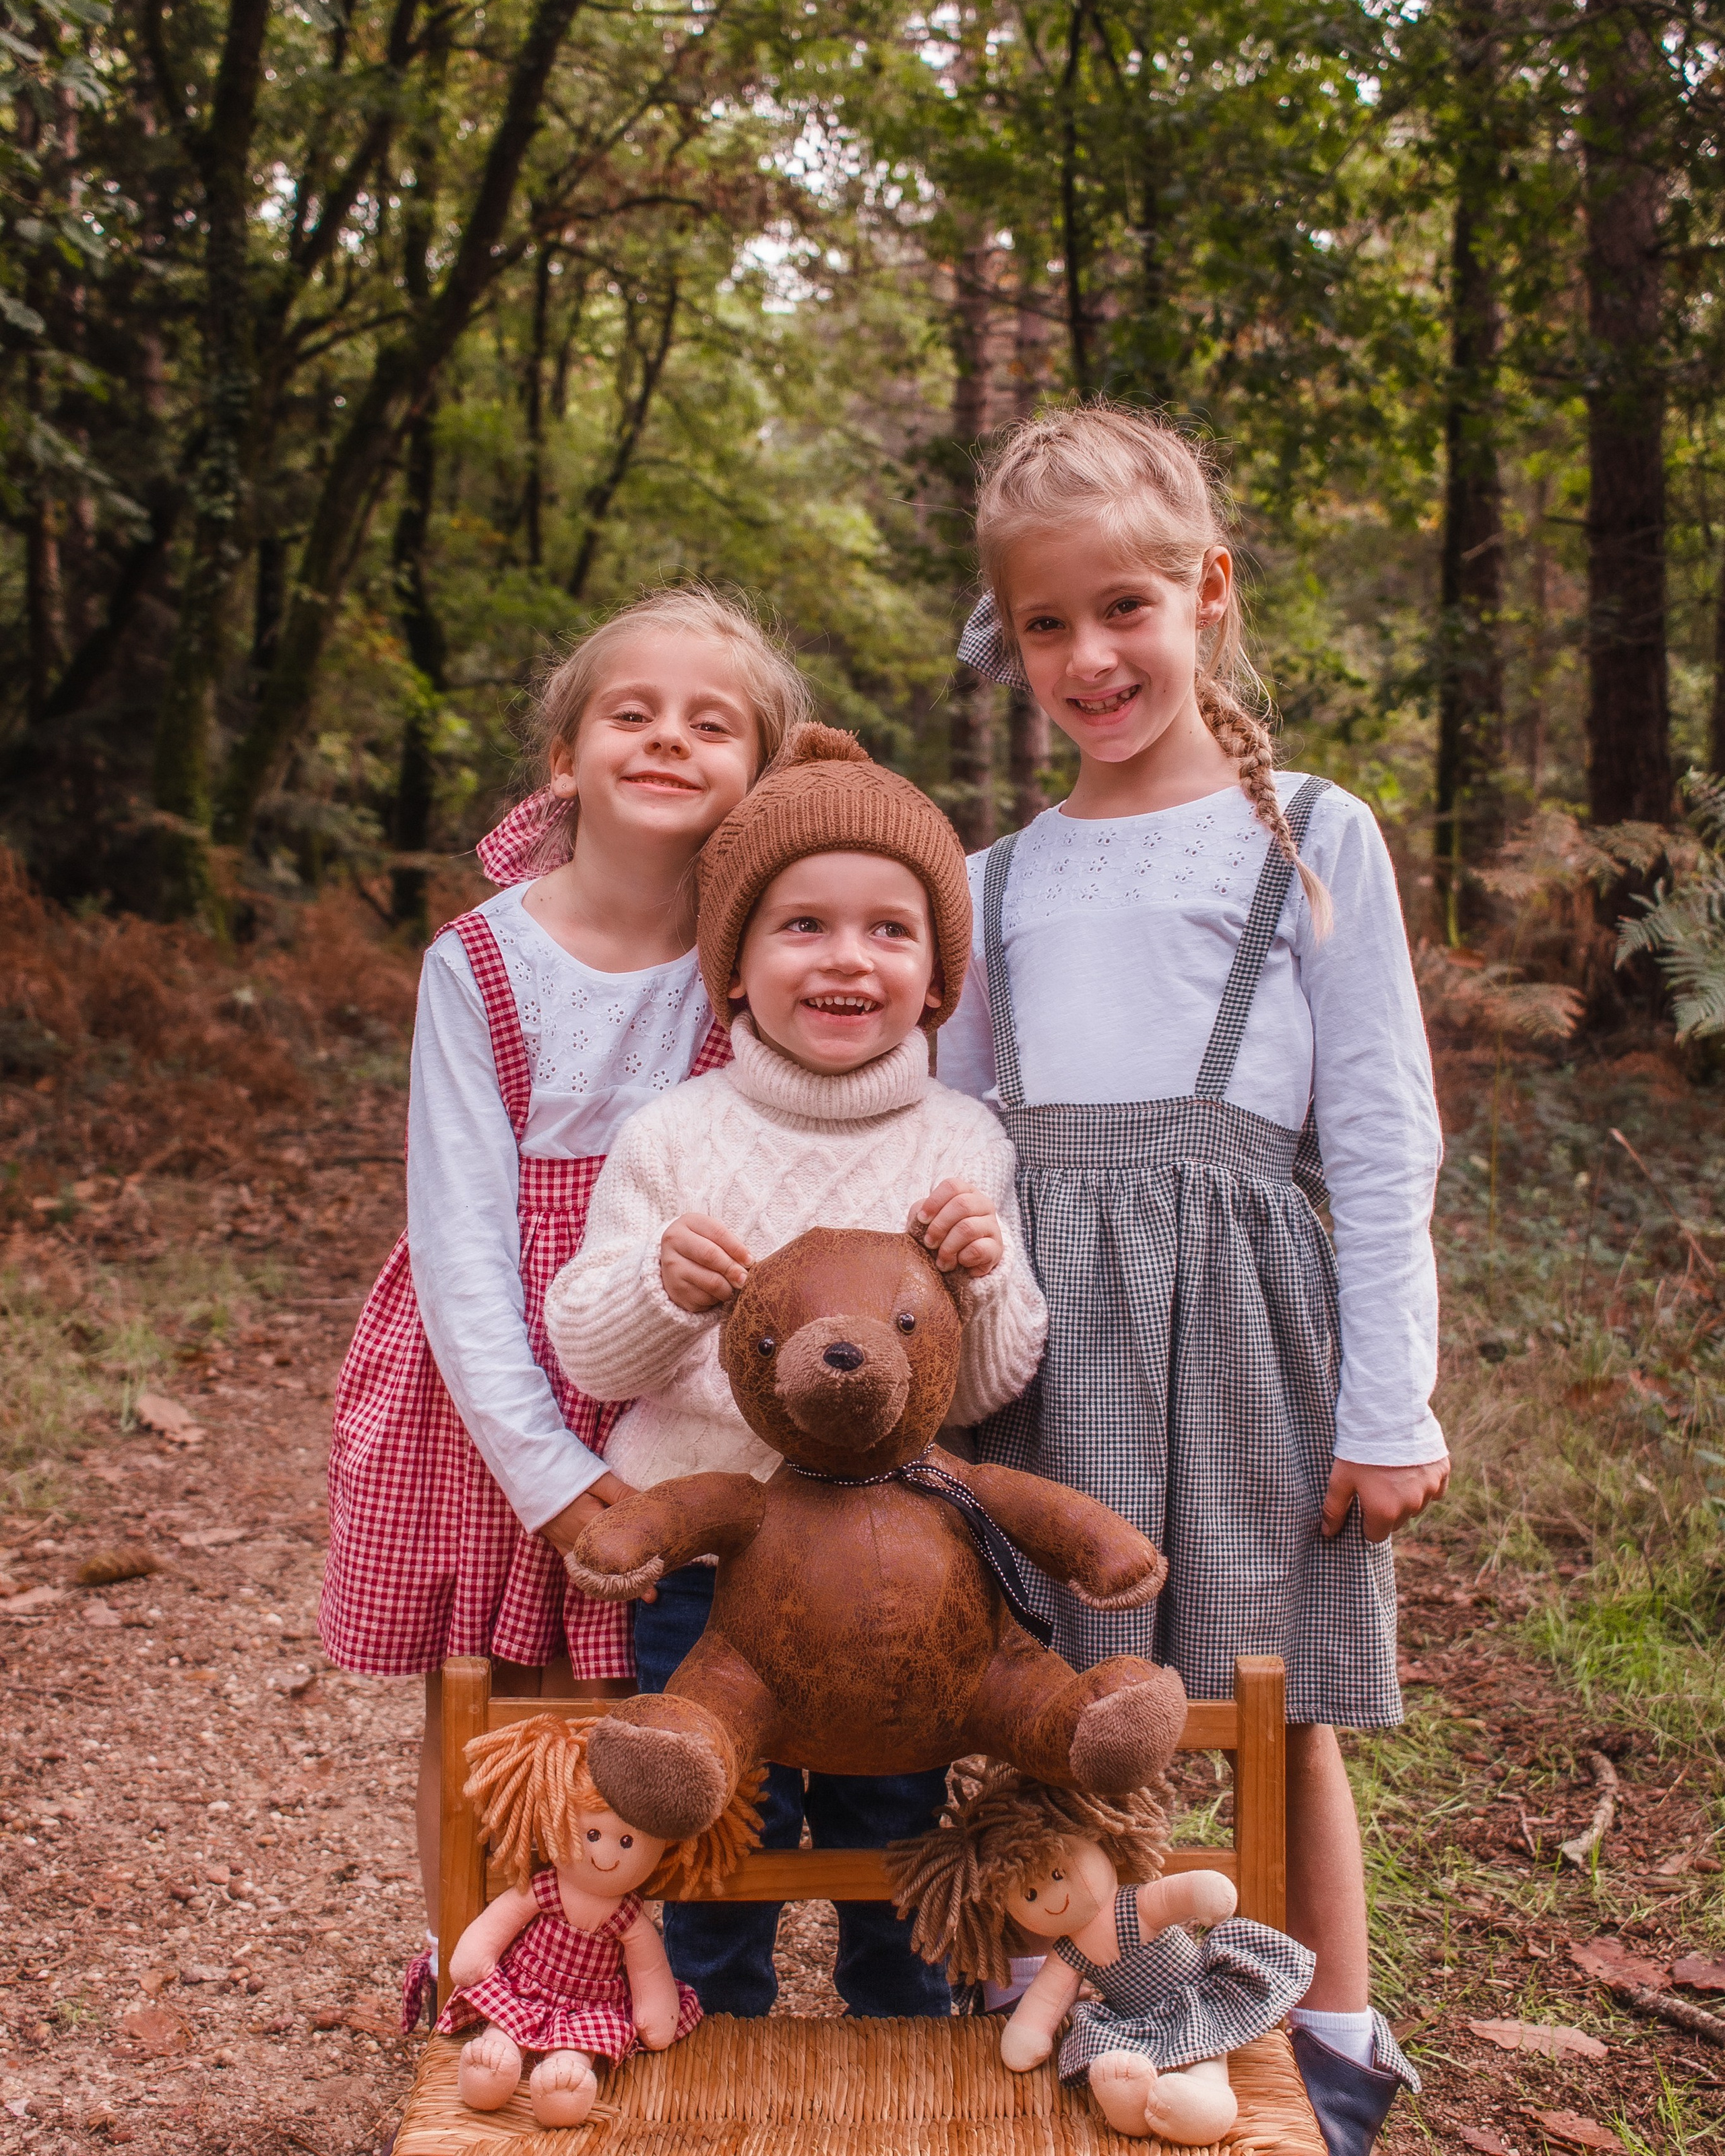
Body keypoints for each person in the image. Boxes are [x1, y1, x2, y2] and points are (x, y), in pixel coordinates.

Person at [937, 402, 1447, 2153]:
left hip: (1247, 1330)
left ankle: (1332, 2059)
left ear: (1207, 592)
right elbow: (938, 1132)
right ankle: (1062, 2030)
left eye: (1126, 606)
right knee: (1049, 1703)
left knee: (1269, 1699)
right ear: (1011, 642)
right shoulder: (992, 881)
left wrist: (1389, 1401)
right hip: (1051, 1344)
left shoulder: (1309, 830)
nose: (1091, 654)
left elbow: (1380, 1133)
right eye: (1047, 624)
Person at [317, 585, 811, 2025]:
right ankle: (481, 1979)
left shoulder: (753, 959)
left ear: (759, 775)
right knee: (491, 1689)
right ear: (562, 757)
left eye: (711, 723)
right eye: (631, 712)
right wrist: (547, 1476)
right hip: (498, 1378)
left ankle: (619, 1974)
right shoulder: (480, 961)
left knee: (640, 1702)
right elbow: (460, 1243)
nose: (667, 738)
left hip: (677, 1369)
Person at [545, 722, 1049, 2019]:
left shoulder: (963, 1142)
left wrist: (982, 1279)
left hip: (897, 1581)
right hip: (709, 1570)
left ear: (939, 975)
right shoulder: (677, 1136)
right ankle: (716, 2040)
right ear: (734, 964)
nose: (846, 958)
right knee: (720, 1832)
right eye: (801, 926)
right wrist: (663, 1285)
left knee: (892, 1827)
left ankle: (902, 2040)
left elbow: (991, 1386)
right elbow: (586, 1345)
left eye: (891, 930)